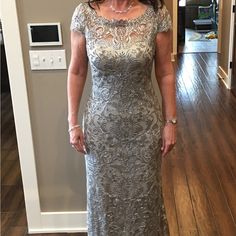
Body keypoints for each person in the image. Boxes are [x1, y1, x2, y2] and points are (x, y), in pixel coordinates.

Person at [67, 0, 176, 235]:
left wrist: (170, 122)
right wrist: (72, 122)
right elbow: (76, 70)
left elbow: (166, 71)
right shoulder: (84, 14)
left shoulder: (157, 14)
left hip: (144, 127)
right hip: (101, 129)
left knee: (145, 198)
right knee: (103, 199)